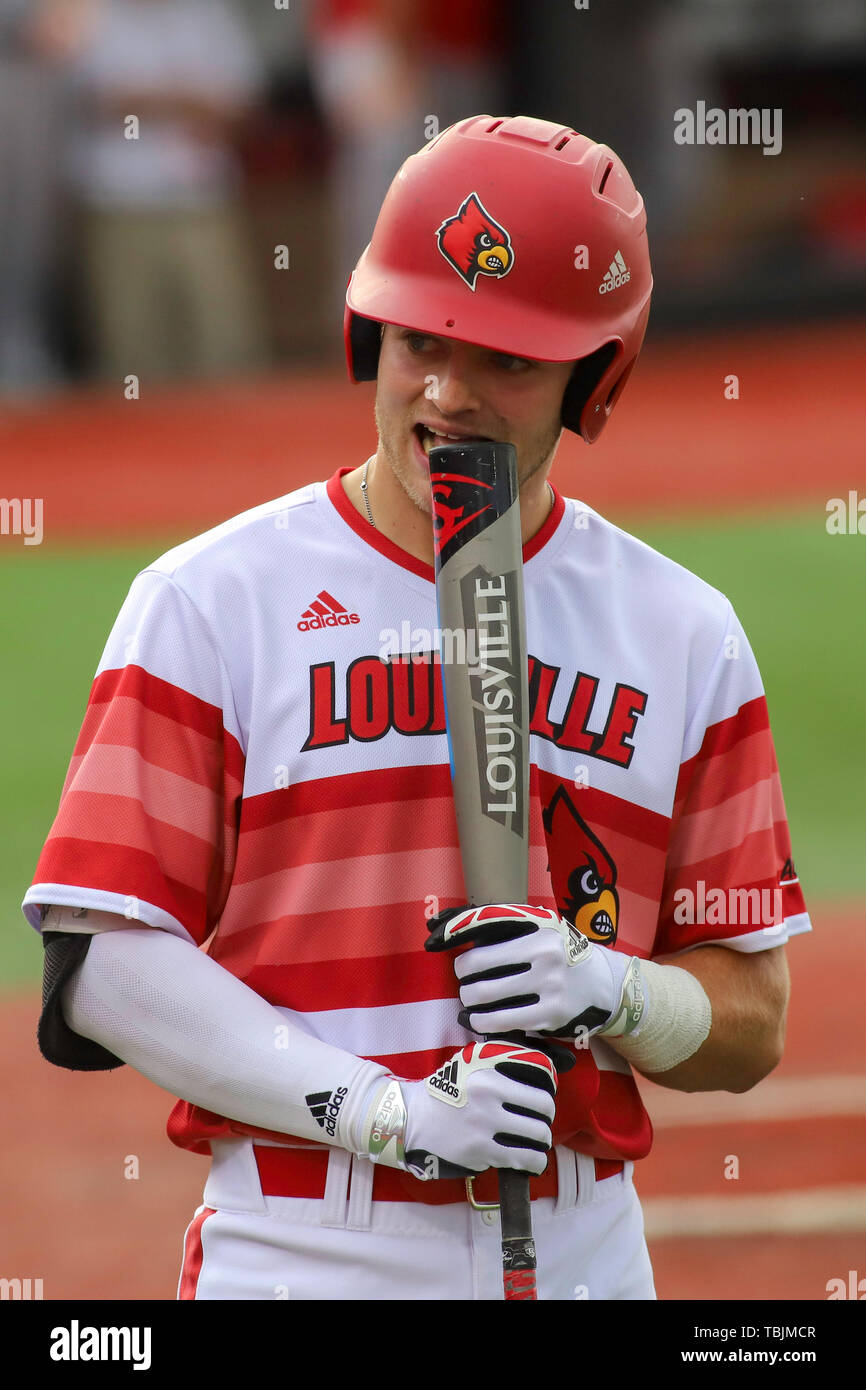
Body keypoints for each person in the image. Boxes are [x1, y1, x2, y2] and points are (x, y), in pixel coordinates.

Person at [22, 114, 810, 1302]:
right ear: (366, 332)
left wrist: (614, 988)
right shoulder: (209, 599)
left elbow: (749, 1020)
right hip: (305, 1247)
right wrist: (382, 1110)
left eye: (507, 361)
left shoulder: (679, 631)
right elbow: (103, 964)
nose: (447, 395)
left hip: (589, 1247)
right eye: (418, 345)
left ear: (595, 376)